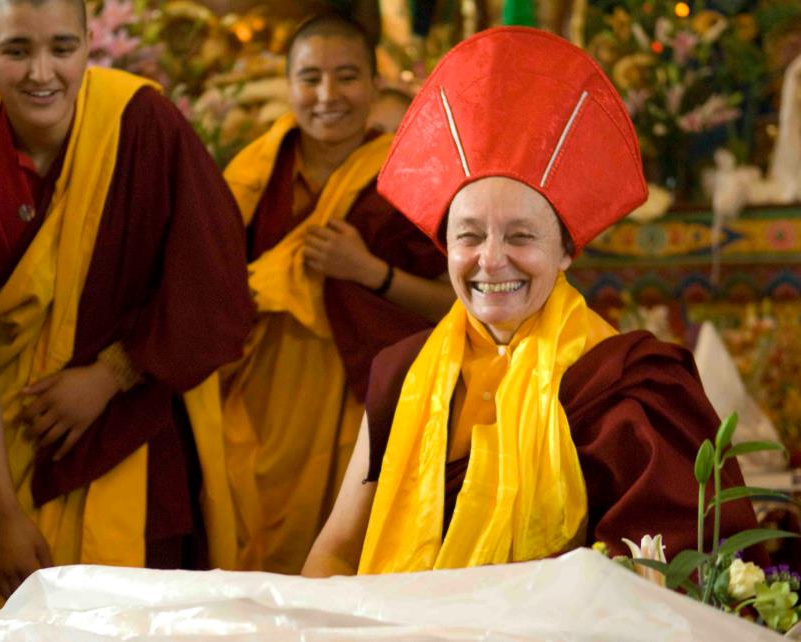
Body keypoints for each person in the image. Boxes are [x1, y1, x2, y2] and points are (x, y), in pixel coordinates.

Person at [302, 26, 761, 577]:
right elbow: (334, 549)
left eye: (521, 236)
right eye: (468, 236)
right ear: (445, 247)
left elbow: (684, 579)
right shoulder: (403, 373)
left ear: (566, 250)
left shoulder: (625, 385)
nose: (491, 260)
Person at [0, 0, 253, 630]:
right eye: (16, 51)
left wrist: (110, 375)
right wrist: (4, 514)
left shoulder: (140, 122)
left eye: (62, 49)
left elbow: (213, 283)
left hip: (125, 434)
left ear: (89, 43)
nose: (43, 72)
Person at [218, 12, 453, 574]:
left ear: (376, 85)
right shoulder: (254, 170)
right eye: (310, 78)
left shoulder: (411, 175)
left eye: (347, 77)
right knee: (249, 553)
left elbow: (458, 306)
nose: (328, 95)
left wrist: (371, 272)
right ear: (289, 84)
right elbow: (206, 279)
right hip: (258, 399)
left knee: (344, 563)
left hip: (362, 401)